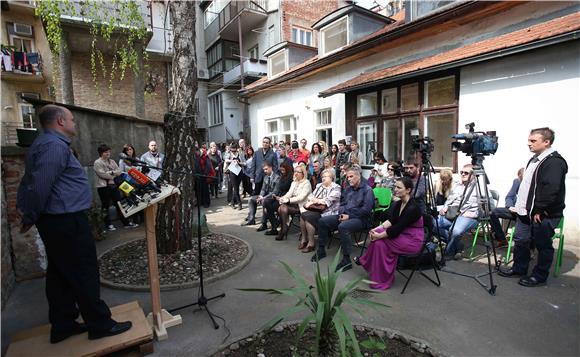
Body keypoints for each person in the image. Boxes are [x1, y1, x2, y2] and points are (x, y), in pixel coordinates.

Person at [17, 104, 131, 344]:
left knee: (60, 274)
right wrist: (30, 215)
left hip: (59, 219)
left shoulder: (47, 143)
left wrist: (32, 214)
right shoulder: (53, 147)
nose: (74, 123)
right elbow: (39, 186)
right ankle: (100, 324)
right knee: (84, 271)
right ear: (60, 121)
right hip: (64, 220)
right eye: (71, 119)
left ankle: (63, 324)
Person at [499, 128, 567, 287]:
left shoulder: (554, 162)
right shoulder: (534, 159)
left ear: (546, 142)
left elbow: (551, 189)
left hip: (543, 214)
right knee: (521, 241)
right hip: (525, 212)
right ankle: (519, 268)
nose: (528, 143)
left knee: (543, 245)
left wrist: (539, 209)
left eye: (533, 141)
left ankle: (539, 276)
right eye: (529, 140)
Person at [356, 177, 424, 290]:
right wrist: (377, 229)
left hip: (412, 239)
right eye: (395, 187)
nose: (395, 190)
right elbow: (391, 221)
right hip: (401, 233)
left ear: (408, 190)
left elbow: (396, 229)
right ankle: (379, 277)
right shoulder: (398, 203)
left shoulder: (413, 207)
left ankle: (366, 261)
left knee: (378, 240)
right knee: (378, 244)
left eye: (398, 187)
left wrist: (378, 235)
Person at [312, 165, 375, 272]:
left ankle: (346, 260)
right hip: (344, 216)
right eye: (347, 177)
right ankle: (321, 250)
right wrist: (342, 213)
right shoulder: (348, 189)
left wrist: (349, 216)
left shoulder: (367, 190)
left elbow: (366, 210)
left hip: (361, 219)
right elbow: (341, 203)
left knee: (343, 227)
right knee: (322, 221)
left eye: (351, 177)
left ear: (358, 176)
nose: (348, 179)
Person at [436, 164, 481, 259]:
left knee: (455, 231)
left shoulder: (480, 188)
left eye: (466, 173)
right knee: (431, 223)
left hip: (467, 216)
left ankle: (449, 252)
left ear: (473, 175)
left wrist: (475, 214)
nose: (463, 174)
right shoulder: (457, 186)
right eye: (462, 172)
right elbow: (449, 200)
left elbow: (490, 209)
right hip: (452, 214)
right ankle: (458, 245)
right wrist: (445, 207)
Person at [93, 144, 137, 230]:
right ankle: (108, 224)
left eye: (109, 151)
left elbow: (119, 171)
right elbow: (102, 174)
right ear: (101, 153)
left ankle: (126, 222)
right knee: (105, 206)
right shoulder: (97, 162)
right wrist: (113, 174)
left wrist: (111, 172)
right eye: (106, 152)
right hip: (103, 187)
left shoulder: (112, 161)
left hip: (114, 185)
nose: (108, 153)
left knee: (119, 204)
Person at [299, 169, 341, 253]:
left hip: (328, 212)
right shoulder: (319, 185)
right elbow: (310, 196)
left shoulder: (336, 187)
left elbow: (327, 201)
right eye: (322, 177)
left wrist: (316, 200)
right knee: (303, 215)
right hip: (316, 209)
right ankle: (304, 239)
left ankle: (311, 243)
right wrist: (316, 200)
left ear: (332, 178)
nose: (323, 178)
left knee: (308, 217)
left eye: (326, 176)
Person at [273, 164, 312, 241]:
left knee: (281, 208)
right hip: (293, 205)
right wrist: (282, 198)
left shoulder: (306, 183)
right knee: (281, 207)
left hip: (302, 206)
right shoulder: (294, 182)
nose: (296, 173)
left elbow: (301, 197)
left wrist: (288, 200)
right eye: (295, 171)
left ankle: (283, 228)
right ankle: (284, 227)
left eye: (298, 172)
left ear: (303, 173)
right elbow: (289, 193)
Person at [489, 167, 524, 244]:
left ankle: (530, 247)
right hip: (515, 210)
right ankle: (501, 238)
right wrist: (510, 206)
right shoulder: (517, 181)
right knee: (492, 213)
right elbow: (509, 196)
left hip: (526, 213)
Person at [242, 162, 279, 226]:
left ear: (271, 168)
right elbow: (263, 189)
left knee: (264, 202)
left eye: (266, 169)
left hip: (273, 197)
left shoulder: (277, 177)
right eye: (264, 169)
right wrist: (260, 196)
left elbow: (275, 192)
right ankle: (251, 219)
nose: (265, 171)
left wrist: (263, 198)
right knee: (251, 200)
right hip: (264, 197)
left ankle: (263, 223)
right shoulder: (266, 177)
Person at [262, 162, 294, 234]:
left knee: (270, 208)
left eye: (283, 170)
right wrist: (275, 195)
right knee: (266, 202)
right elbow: (278, 188)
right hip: (279, 197)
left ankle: (276, 225)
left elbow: (290, 192)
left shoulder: (291, 177)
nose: (282, 172)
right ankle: (274, 226)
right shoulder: (281, 177)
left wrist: (281, 197)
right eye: (281, 170)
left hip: (286, 198)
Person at [225, 143, 243, 209]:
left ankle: (232, 202)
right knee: (235, 188)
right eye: (232, 148)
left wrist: (239, 162)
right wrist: (231, 160)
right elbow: (226, 160)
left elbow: (244, 162)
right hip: (232, 172)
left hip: (239, 172)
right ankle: (239, 203)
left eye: (234, 148)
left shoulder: (240, 153)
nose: (233, 150)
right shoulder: (229, 154)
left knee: (236, 188)